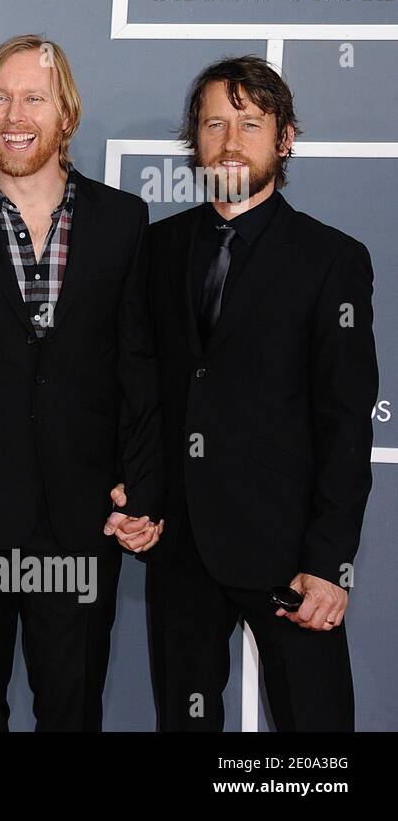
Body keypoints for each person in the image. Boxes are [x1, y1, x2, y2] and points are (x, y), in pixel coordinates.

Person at [0, 34, 163, 731]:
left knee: (72, 709)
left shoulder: (124, 220)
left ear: (68, 115)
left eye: (35, 97)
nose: (14, 115)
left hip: (82, 518)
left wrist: (139, 485)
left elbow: (138, 366)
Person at [145, 55, 377, 731]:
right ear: (194, 140)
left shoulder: (330, 258)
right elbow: (144, 390)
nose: (229, 140)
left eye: (250, 123)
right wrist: (140, 496)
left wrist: (329, 563)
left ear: (285, 138)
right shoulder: (157, 250)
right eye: (214, 123)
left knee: (315, 740)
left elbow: (345, 420)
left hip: (289, 554)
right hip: (181, 545)